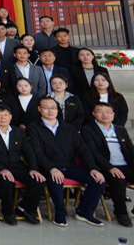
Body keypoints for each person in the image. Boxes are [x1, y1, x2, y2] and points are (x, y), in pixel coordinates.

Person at [29, 98, 107, 228]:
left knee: (98, 180)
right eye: (46, 107)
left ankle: (84, 212)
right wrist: (52, 168)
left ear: (57, 110)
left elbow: (83, 150)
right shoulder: (34, 127)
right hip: (47, 167)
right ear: (39, 109)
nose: (50, 111)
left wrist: (93, 168)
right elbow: (37, 153)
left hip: (69, 166)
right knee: (56, 180)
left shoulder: (68, 127)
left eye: (53, 108)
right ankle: (60, 213)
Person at [0, 104, 45, 225]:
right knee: (7, 181)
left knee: (38, 180)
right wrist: (1, 169)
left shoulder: (18, 131)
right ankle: (8, 212)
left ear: (11, 117)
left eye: (5, 115)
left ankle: (25, 208)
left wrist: (33, 169)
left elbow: (28, 152)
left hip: (16, 166)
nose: (3, 118)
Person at [82, 101, 134, 228]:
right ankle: (121, 213)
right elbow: (93, 152)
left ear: (113, 115)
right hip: (105, 166)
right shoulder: (87, 129)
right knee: (119, 181)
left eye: (108, 112)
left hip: (125, 164)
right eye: (100, 111)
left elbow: (130, 149)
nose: (105, 115)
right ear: (93, 114)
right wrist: (110, 167)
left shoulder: (120, 130)